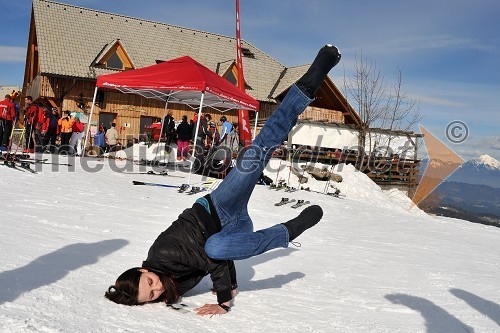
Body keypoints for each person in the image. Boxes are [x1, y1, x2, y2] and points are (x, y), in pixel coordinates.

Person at [105, 45, 341, 316]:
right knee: (217, 246)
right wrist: (224, 284)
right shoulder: (170, 286)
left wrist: (225, 299)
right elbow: (216, 260)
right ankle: (286, 232)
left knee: (257, 151)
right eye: (151, 295)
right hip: (233, 232)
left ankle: (307, 85)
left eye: (149, 283)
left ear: (142, 269)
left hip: (220, 206)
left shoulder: (163, 253)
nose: (156, 288)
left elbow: (212, 260)